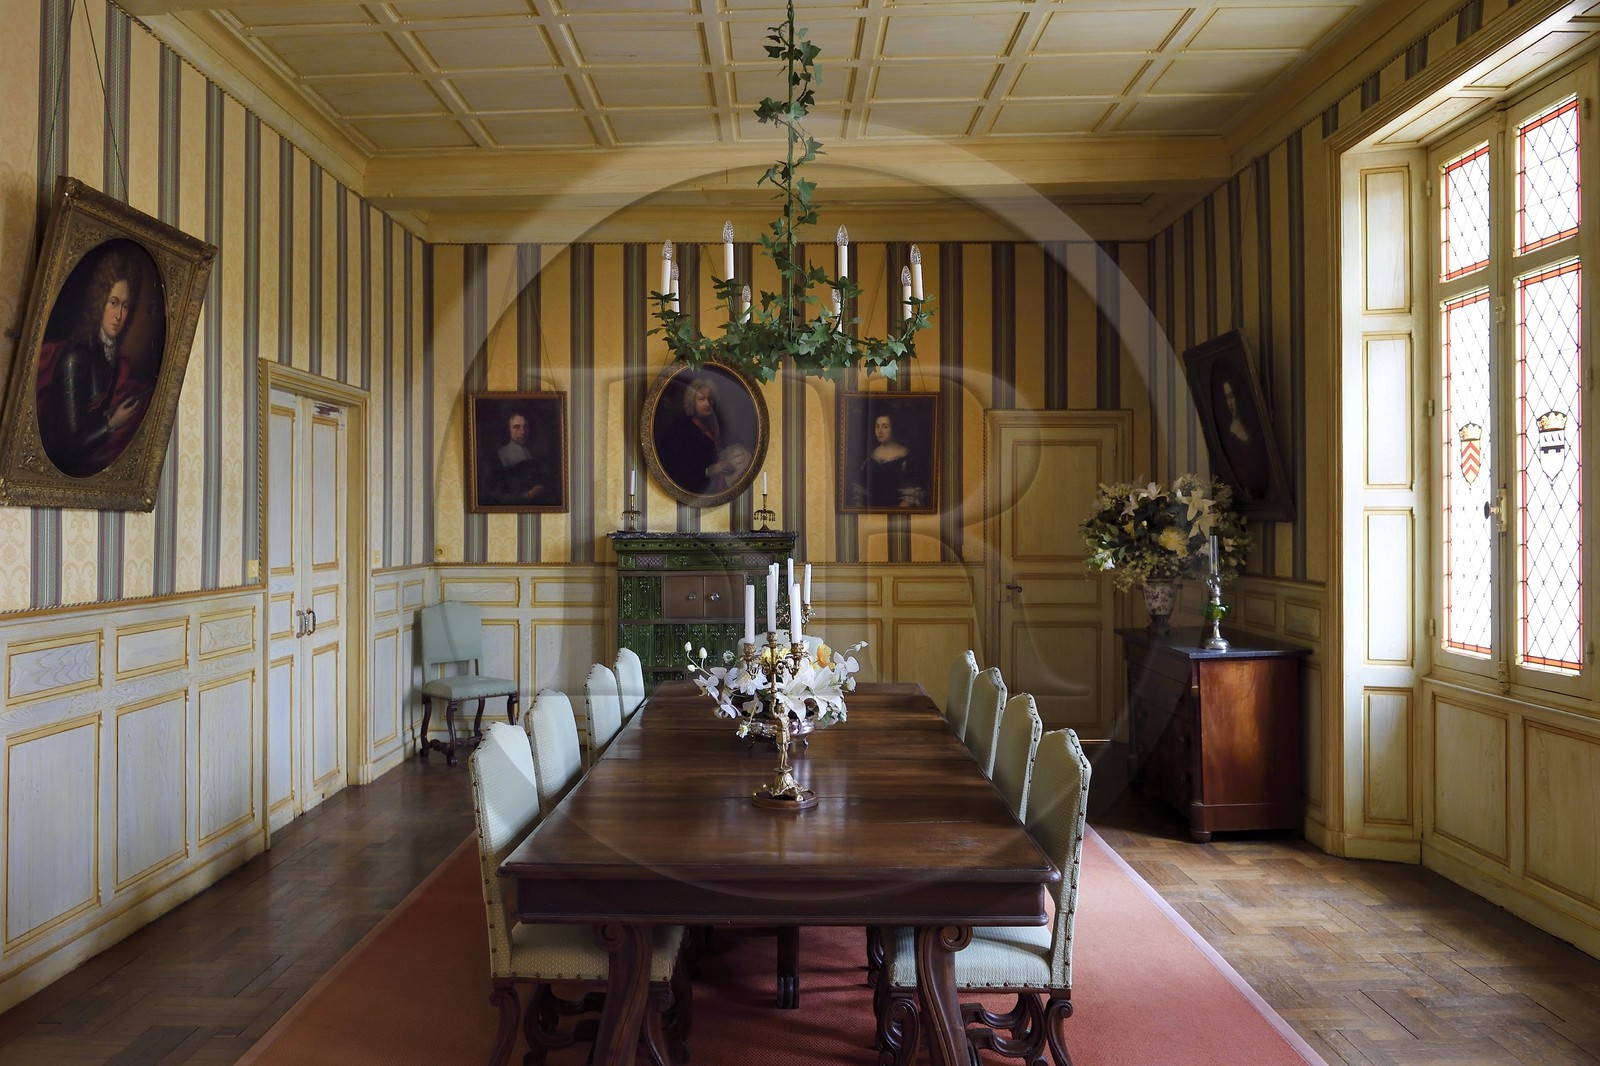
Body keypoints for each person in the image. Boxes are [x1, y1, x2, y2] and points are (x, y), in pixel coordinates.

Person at [37, 248, 154, 479]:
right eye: (113, 302)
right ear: (100, 302)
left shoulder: (111, 358)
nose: (119, 315)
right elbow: (68, 448)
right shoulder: (75, 359)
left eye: (125, 306)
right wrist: (112, 424)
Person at [658, 375, 748, 494]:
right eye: (701, 399)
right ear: (691, 401)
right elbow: (679, 469)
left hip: (721, 488)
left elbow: (737, 443)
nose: (707, 403)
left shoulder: (718, 423)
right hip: (695, 491)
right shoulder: (679, 428)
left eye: (710, 399)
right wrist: (709, 470)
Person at [1211, 369, 1270, 501]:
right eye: (1227, 398)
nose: (1230, 403)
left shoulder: (1253, 426)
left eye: (1232, 396)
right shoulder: (1228, 435)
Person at [850, 411, 928, 509]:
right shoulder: (868, 458)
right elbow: (860, 492)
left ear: (894, 428)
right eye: (877, 426)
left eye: (885, 427)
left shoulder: (907, 457)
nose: (879, 431)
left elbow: (913, 494)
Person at [479, 410, 551, 506]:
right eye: (516, 427)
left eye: (525, 427)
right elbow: (494, 496)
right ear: (508, 431)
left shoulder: (536, 456)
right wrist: (527, 495)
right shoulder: (497, 458)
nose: (522, 432)